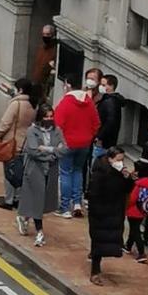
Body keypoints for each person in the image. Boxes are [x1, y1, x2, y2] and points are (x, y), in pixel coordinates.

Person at [16, 104, 66, 247]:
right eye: (46, 116)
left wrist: (45, 149)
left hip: (50, 171)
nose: (49, 119)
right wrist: (52, 152)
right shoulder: (32, 130)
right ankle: (40, 232)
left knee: (42, 201)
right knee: (37, 200)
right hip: (35, 170)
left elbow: (64, 149)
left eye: (51, 116)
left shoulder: (57, 131)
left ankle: (24, 217)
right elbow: (33, 151)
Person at [53, 75, 101, 217]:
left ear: (67, 85)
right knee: (78, 171)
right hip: (84, 143)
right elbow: (96, 124)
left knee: (65, 173)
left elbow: (57, 125)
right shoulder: (89, 103)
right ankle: (77, 203)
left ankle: (65, 207)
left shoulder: (65, 103)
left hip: (68, 143)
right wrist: (88, 136)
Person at [87, 147, 133, 285]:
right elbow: (93, 194)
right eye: (118, 159)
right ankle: (95, 271)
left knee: (107, 240)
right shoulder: (100, 173)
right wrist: (98, 211)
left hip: (115, 211)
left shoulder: (120, 172)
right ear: (110, 159)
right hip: (101, 212)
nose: (121, 162)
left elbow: (127, 189)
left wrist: (127, 178)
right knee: (98, 241)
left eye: (122, 159)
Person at [0, 78, 38, 211]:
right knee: (21, 171)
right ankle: (18, 198)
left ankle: (8, 200)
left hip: (11, 141)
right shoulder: (33, 104)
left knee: (9, 171)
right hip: (25, 142)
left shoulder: (16, 104)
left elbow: (6, 122)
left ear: (20, 90)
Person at [125, 176, 148, 262]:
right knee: (134, 229)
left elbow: (132, 199)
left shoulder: (138, 186)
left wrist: (126, 206)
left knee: (135, 231)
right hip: (142, 211)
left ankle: (141, 253)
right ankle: (128, 245)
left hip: (133, 211)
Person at [96, 74, 124, 153]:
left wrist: (99, 137)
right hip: (107, 140)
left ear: (111, 86)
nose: (101, 87)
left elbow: (110, 122)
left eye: (104, 85)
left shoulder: (110, 102)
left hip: (104, 142)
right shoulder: (109, 99)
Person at [30, 23, 58, 101]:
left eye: (48, 34)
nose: (45, 36)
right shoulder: (41, 48)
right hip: (37, 83)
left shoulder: (55, 50)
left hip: (46, 86)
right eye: (44, 34)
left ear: (53, 35)